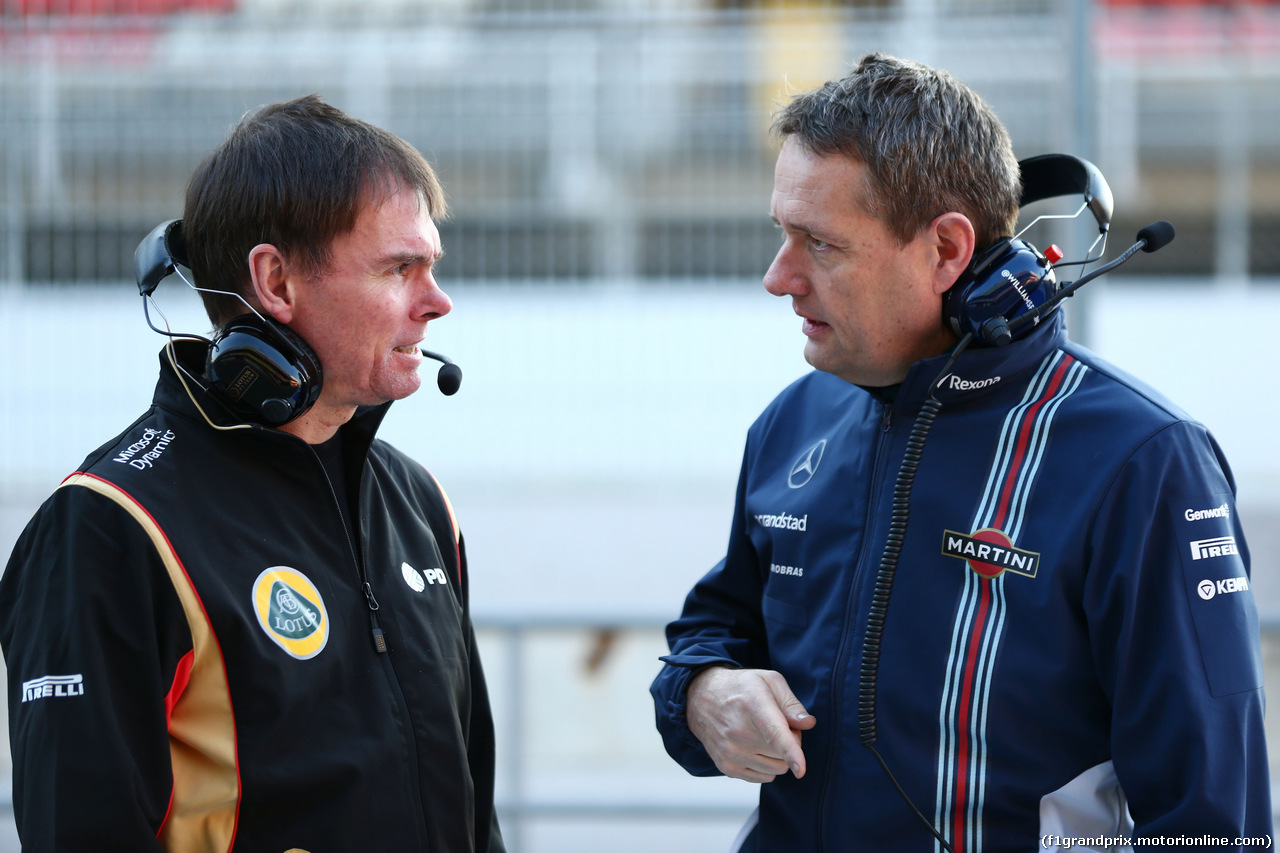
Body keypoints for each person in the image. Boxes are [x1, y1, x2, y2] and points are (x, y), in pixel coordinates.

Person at [650, 53, 1270, 851]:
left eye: (820, 244)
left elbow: (1212, 827)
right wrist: (704, 693)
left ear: (946, 250)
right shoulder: (794, 421)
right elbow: (710, 631)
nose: (778, 277)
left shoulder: (1145, 462)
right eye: (781, 234)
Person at [0, 95, 505, 852]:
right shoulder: (108, 526)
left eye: (432, 265)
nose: (437, 301)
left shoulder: (420, 503)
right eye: (401, 268)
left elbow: (474, 813)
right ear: (275, 282)